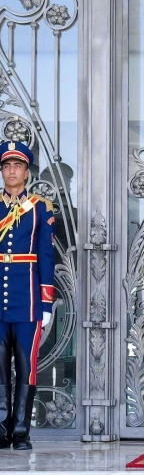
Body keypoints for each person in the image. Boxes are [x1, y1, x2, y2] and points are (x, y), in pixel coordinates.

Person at [0, 140, 55, 450]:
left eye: (17, 166)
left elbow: (46, 256)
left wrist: (45, 301)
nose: (11, 171)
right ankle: (0, 430)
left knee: (26, 368)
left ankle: (21, 431)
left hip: (29, 301)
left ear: (26, 173)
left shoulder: (40, 208)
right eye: (7, 166)